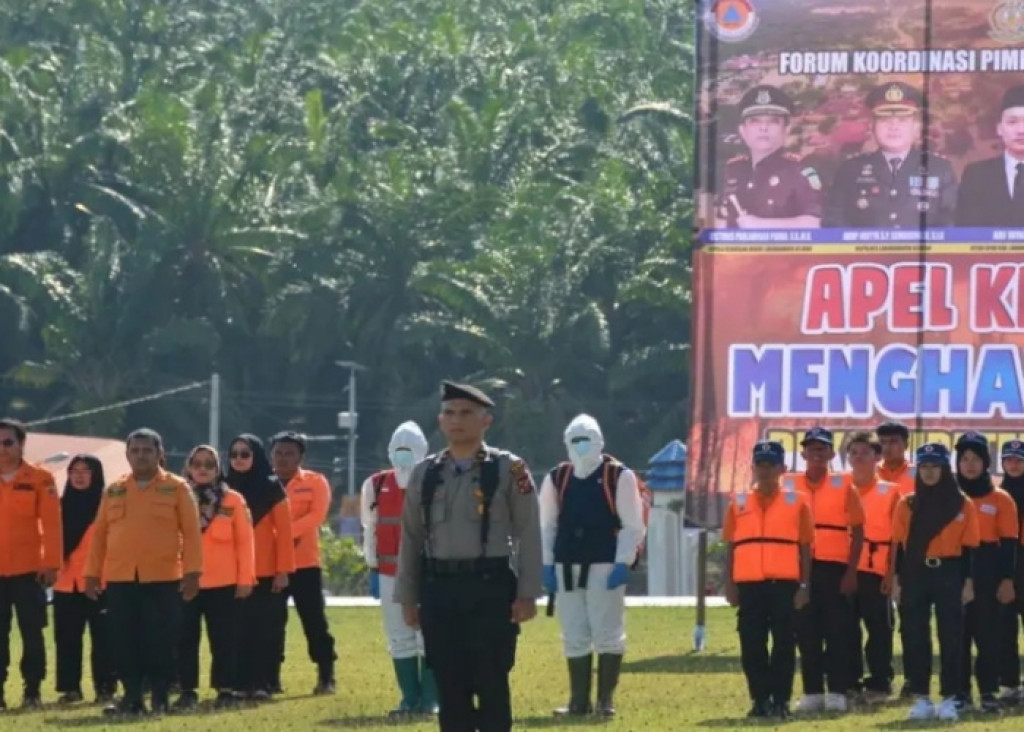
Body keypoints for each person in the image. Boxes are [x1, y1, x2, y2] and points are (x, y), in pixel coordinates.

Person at [395, 381, 543, 732]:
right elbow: (411, 537)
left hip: (489, 587)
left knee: (491, 679)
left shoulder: (509, 469)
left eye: (466, 413)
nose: (456, 420)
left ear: (486, 420)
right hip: (439, 589)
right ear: (440, 420)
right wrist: (408, 597)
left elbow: (528, 532)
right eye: (449, 413)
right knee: (449, 684)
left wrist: (527, 592)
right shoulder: (425, 472)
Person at [84, 428, 203, 717]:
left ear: (160, 454)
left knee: (159, 641)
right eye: (135, 450)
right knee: (124, 640)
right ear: (127, 454)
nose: (141, 455)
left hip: (163, 578)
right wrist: (91, 574)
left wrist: (192, 574)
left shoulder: (177, 487)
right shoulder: (114, 489)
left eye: (147, 450)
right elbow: (99, 534)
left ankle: (160, 698)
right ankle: (133, 698)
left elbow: (191, 533)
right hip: (120, 578)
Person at [539, 414, 645, 717]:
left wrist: (623, 561)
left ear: (598, 441)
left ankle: (605, 702)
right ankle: (578, 702)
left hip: (605, 564)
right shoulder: (557, 478)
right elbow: (546, 525)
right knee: (574, 633)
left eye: (585, 439)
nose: (580, 446)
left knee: (608, 631)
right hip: (566, 564)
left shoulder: (618, 476)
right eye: (574, 440)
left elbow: (632, 525)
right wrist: (547, 564)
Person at [890, 442, 979, 721]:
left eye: (935, 466)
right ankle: (921, 697)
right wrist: (895, 579)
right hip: (915, 573)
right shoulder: (908, 503)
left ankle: (951, 697)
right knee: (914, 634)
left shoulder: (962, 503)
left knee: (951, 635)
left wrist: (968, 581)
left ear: (945, 468)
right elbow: (898, 547)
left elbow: (970, 549)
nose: (929, 472)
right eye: (924, 467)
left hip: (949, 572)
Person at [724, 441, 812, 720]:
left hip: (784, 584)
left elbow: (806, 547)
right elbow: (730, 545)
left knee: (784, 643)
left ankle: (781, 700)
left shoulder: (797, 502)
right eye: (760, 464)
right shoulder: (738, 502)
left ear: (782, 469)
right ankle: (760, 699)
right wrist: (729, 582)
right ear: (752, 468)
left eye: (771, 465)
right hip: (749, 585)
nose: (765, 471)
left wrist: (804, 586)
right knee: (751, 643)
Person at [361, 421, 436, 718]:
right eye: (399, 449)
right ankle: (409, 698)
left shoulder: (435, 481)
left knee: (428, 636)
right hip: (389, 574)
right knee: (399, 637)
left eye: (410, 450)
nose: (404, 455)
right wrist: (372, 569)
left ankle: (430, 700)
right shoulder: (376, 484)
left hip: (428, 573)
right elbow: (370, 530)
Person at [789, 426, 864, 713]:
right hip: (799, 569)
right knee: (806, 631)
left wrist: (851, 572)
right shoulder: (789, 484)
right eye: (812, 448)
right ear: (803, 453)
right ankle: (811, 692)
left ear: (832, 453)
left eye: (823, 448)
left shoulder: (845, 485)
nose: (817, 453)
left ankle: (837, 690)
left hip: (835, 568)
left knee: (837, 632)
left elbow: (858, 531)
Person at [174, 445, 255, 711]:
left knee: (224, 640)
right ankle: (187, 690)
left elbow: (245, 543)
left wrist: (245, 579)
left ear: (218, 468)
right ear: (188, 466)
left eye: (209, 464)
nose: (203, 469)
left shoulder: (233, 500)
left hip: (225, 583)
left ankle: (226, 689)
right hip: (185, 582)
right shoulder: (177, 497)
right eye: (197, 463)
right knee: (185, 639)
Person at [824, 82, 958, 228]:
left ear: (916, 127)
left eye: (902, 120)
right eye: (885, 119)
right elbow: (834, 221)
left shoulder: (939, 169)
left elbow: (950, 223)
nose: (893, 127)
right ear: (872, 126)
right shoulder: (850, 169)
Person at [223, 434, 293, 701]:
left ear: (257, 456)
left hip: (266, 572)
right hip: (234, 573)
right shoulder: (224, 488)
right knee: (236, 629)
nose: (239, 460)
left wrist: (283, 570)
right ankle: (239, 683)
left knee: (265, 630)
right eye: (234, 455)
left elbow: (284, 533)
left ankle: (264, 682)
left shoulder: (272, 487)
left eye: (245, 454)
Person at [0, 417, 62, 710]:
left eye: (8, 442)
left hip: (29, 572)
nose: (2, 449)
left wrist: (51, 564)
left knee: (32, 633)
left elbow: (52, 525)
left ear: (21, 444)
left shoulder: (40, 478)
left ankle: (32, 690)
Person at [953, 432, 1017, 712]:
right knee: (957, 634)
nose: (969, 465)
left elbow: (1009, 544)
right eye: (964, 459)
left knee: (988, 633)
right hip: (954, 568)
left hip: (989, 568)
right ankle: (961, 694)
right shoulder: (948, 496)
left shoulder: (1001, 498)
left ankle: (989, 692)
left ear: (986, 463)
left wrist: (1006, 580)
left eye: (975, 459)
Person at [270, 431, 337, 694]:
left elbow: (316, 516)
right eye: (278, 453)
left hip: (305, 565)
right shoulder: (264, 483)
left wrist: (281, 535)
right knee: (271, 623)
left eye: (289, 453)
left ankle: (326, 675)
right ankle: (270, 678)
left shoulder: (315, 482)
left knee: (314, 621)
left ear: (300, 456)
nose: (283, 458)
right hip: (270, 565)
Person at [52, 455, 117, 705]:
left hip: (101, 582)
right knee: (66, 638)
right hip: (66, 583)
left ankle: (105, 688)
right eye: (74, 471)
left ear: (96, 474)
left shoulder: (108, 506)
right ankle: (70, 689)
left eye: (85, 471)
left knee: (104, 639)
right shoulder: (58, 506)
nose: (79, 475)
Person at [714, 84, 824, 229]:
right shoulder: (732, 169)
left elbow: (814, 223)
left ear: (786, 130)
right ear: (743, 131)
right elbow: (717, 218)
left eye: (773, 121)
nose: (763, 128)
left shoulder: (800, 170)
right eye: (755, 121)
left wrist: (760, 226)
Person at [844, 432, 899, 703]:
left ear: (878, 457)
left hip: (877, 572)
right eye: (853, 452)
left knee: (879, 629)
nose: (858, 457)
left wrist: (892, 573)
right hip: (844, 570)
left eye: (865, 452)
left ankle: (879, 683)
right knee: (845, 628)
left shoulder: (890, 492)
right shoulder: (840, 489)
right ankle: (849, 682)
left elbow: (898, 538)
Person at [955, 85, 1024, 227]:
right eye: (1012, 122)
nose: (1021, 130)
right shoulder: (976, 175)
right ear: (999, 128)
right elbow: (964, 229)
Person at [999, 439, 1024, 703]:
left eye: (1019, 460)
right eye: (1009, 460)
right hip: (1005, 568)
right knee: (1004, 628)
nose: (1014, 464)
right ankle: (1009, 684)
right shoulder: (997, 494)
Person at [876, 421, 915, 496]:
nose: (886, 447)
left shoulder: (918, 475)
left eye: (893, 442)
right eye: (882, 442)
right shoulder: (870, 473)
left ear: (906, 444)